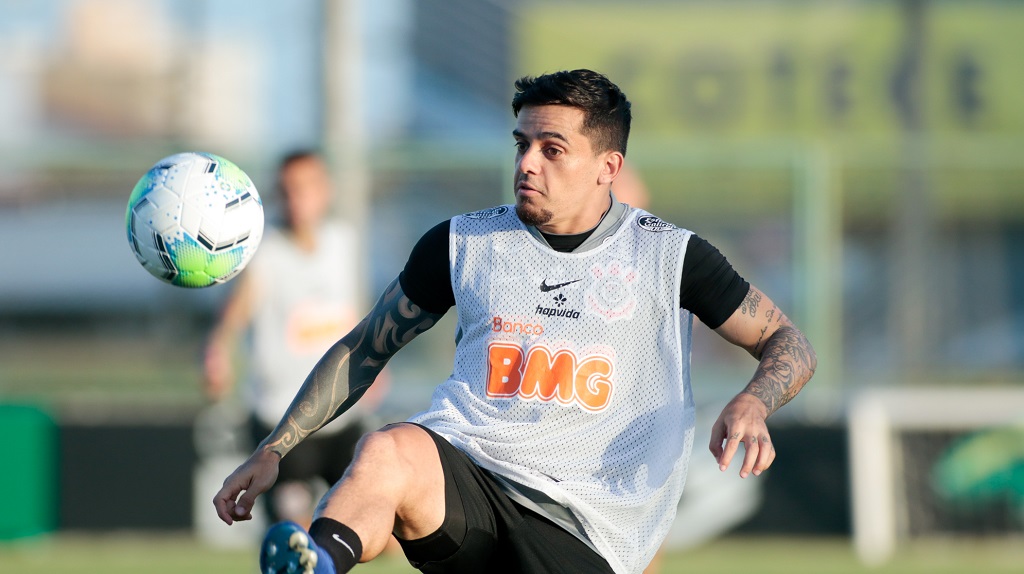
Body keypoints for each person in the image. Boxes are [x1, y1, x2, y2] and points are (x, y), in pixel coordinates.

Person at [213, 70, 816, 574]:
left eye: (552, 149)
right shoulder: (463, 242)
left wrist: (755, 401)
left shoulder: (670, 255)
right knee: (388, 452)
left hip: (586, 528)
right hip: (471, 477)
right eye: (521, 144)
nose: (528, 162)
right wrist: (275, 447)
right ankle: (318, 561)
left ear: (608, 166)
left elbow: (788, 342)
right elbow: (366, 347)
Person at [204, 150, 382, 529]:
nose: (294, 197)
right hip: (281, 421)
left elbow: (360, 309)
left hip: (342, 415)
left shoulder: (343, 242)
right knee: (294, 535)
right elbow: (237, 310)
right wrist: (218, 349)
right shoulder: (262, 252)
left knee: (376, 529)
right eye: (286, 189)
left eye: (303, 187)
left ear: (325, 191)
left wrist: (379, 361)